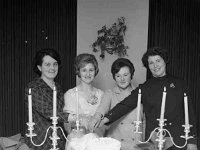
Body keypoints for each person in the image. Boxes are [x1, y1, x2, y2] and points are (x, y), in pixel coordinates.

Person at [90, 47, 197, 150]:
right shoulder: (145, 87)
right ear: (148, 66)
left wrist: (192, 141)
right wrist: (104, 119)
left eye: (158, 60)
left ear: (165, 61)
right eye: (151, 63)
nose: (155, 65)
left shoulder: (180, 84)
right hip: (153, 141)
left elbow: (190, 114)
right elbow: (125, 105)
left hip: (178, 141)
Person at [90, 58, 145, 150]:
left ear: (131, 75)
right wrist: (97, 116)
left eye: (125, 75)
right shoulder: (110, 93)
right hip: (115, 144)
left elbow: (145, 121)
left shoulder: (140, 94)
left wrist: (145, 143)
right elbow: (102, 108)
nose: (122, 79)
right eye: (118, 76)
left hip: (136, 145)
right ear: (114, 77)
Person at [24, 48, 68, 150]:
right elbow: (48, 112)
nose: (52, 68)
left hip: (59, 139)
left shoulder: (58, 87)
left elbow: (62, 110)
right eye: (47, 64)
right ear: (39, 67)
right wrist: (72, 117)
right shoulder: (33, 87)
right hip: (39, 140)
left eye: (55, 64)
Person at [63, 53, 104, 137]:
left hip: (96, 140)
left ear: (95, 71)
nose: (88, 74)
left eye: (91, 70)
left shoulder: (101, 94)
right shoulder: (70, 94)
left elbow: (105, 123)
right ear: (79, 72)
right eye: (84, 70)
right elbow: (67, 123)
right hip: (77, 140)